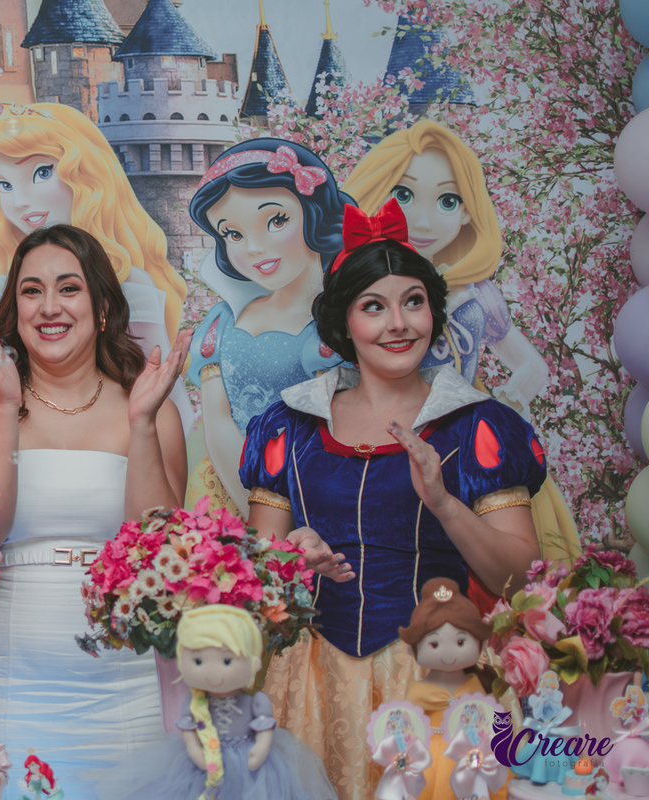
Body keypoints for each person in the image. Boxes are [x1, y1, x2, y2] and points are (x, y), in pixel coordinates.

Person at [239, 201, 546, 800]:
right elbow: (253, 576)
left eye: (413, 302)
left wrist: (444, 503)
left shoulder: (475, 425)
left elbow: (524, 579)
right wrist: (287, 560)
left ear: (433, 312)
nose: (398, 323)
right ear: (343, 323)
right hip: (308, 681)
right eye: (373, 306)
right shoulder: (288, 425)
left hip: (434, 677)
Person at [0, 224, 190, 797]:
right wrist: (7, 405)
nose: (49, 307)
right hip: (4, 686)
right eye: (31, 291)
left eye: (68, 288)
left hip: (125, 688)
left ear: (101, 306)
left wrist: (144, 423)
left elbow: (157, 552)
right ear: (14, 307)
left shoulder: (150, 408)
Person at [342, 120, 577, 567]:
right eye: (404, 195)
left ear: (469, 211)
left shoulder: (476, 296)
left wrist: (500, 406)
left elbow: (532, 366)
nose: (425, 219)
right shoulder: (353, 291)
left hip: (469, 447)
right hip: (382, 443)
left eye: (448, 200)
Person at [0, 101, 192, 429]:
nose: (21, 200)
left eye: (42, 172)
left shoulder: (129, 286)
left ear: (86, 175)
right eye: (4, 185)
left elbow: (172, 412)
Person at [185, 139, 352, 516]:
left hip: (316, 497)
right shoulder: (221, 325)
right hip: (230, 498)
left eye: (276, 220)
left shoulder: (340, 326)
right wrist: (260, 522)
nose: (255, 248)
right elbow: (219, 422)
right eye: (233, 234)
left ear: (313, 213)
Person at [113, 605, 335, 800]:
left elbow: (265, 730)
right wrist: (194, 749)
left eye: (227, 660)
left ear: (253, 662)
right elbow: (189, 732)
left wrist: (261, 746)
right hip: (205, 763)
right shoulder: (195, 701)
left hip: (250, 766)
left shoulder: (256, 702)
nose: (213, 672)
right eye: (198, 660)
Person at [398, 578, 507, 800]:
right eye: (434, 644)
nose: (448, 654)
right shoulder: (419, 695)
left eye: (460, 642)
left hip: (475, 759)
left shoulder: (479, 690)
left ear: (480, 644)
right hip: (426, 761)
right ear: (412, 650)